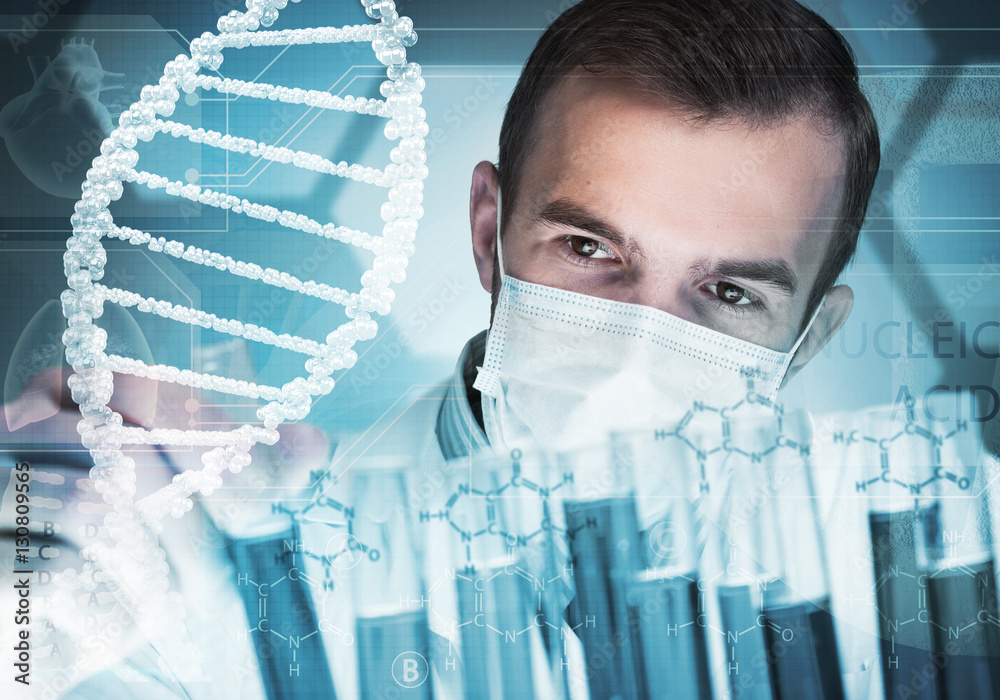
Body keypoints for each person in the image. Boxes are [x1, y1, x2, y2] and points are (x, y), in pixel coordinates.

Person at [1, 0, 882, 698]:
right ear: (488, 231)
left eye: (730, 293)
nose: (636, 356)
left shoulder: (895, 589)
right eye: (590, 250)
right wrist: (27, 623)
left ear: (808, 340)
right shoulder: (226, 571)